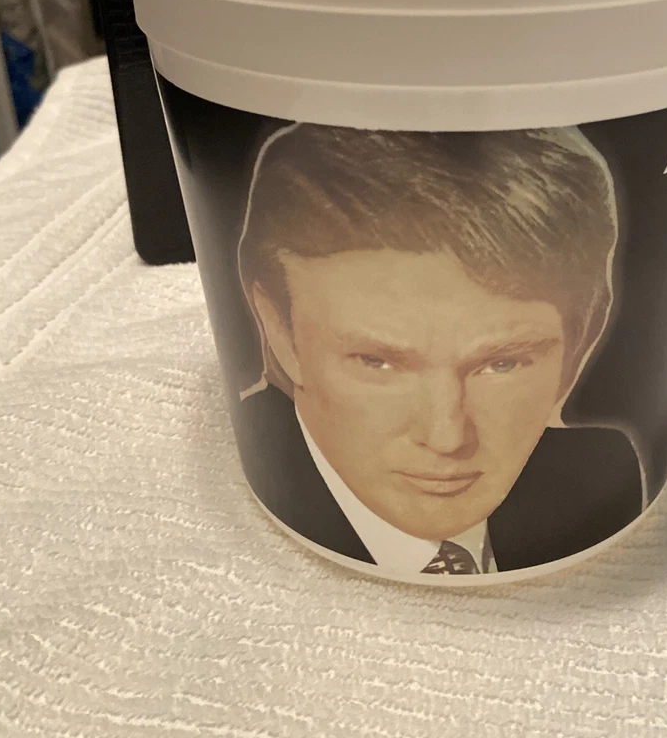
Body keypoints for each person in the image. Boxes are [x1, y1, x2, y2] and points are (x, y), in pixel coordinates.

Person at [233, 124, 645, 576]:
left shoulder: (599, 476)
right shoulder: (240, 498)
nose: (446, 437)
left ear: (581, 345)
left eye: (502, 364)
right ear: (281, 334)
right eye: (377, 362)